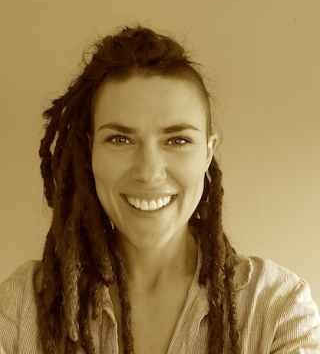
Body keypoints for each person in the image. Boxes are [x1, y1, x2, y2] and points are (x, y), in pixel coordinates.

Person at [0, 25, 319, 354]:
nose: (148, 172)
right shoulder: (23, 303)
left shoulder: (279, 308)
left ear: (208, 153)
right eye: (120, 139)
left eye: (177, 140)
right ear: (89, 151)